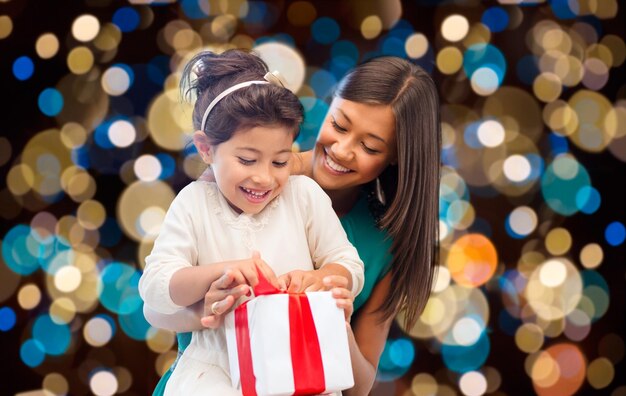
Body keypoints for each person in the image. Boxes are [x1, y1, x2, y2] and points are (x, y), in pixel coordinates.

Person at [145, 55, 441, 395]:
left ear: (396, 155)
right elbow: (156, 304)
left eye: (370, 146)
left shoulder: (377, 239)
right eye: (340, 125)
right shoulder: (238, 180)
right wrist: (210, 307)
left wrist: (332, 315)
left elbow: (358, 387)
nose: (342, 150)